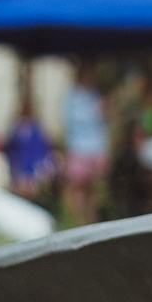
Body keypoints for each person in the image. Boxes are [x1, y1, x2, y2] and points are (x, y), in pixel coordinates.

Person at [62, 64, 108, 223]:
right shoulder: (73, 97)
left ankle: (91, 222)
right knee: (77, 187)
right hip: (79, 147)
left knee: (93, 189)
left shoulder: (95, 95)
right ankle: (76, 221)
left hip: (95, 148)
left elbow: (101, 124)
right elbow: (72, 121)